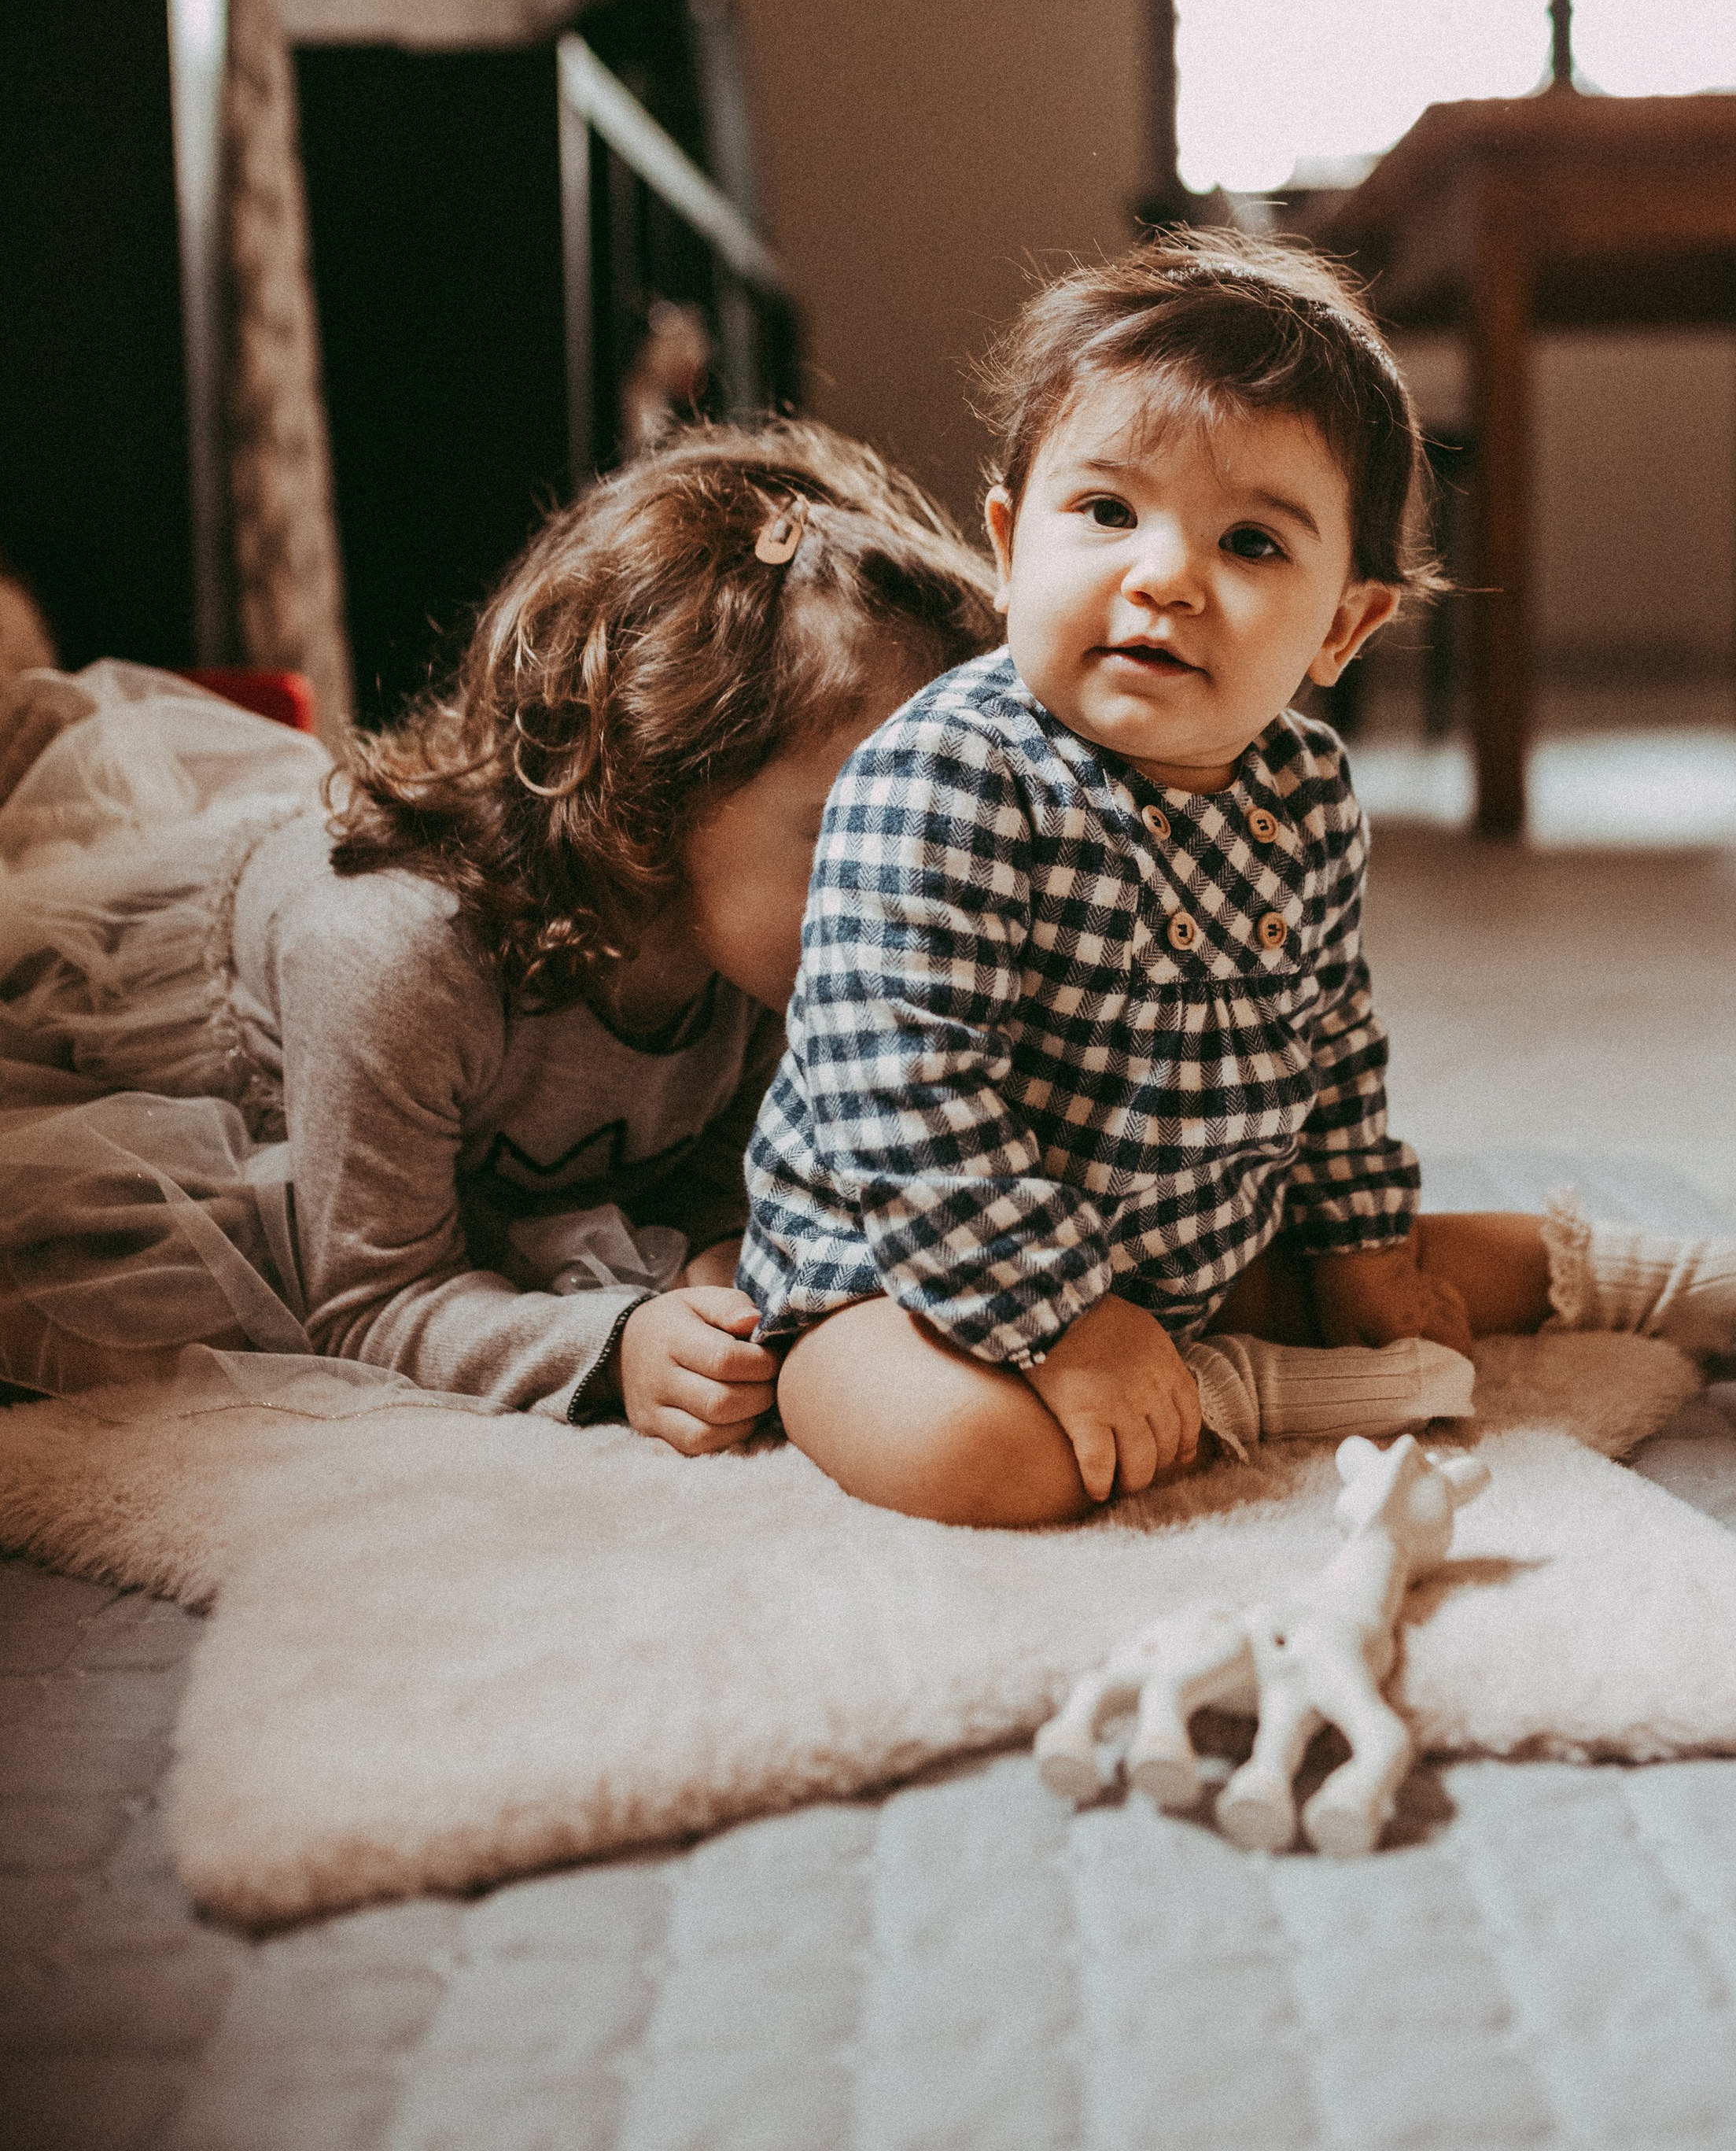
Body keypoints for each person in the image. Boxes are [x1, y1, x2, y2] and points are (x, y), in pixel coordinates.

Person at [743, 235, 1736, 1527]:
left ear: (1344, 625)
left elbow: (1331, 1038)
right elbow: (905, 1096)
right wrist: (1065, 1323)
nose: (1164, 577)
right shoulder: (944, 775)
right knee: (979, 1455)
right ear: (1009, 547)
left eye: (1249, 542)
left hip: (1187, 1239)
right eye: (1108, 513)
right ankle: (1241, 1392)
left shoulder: (1304, 787)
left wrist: (1357, 1246)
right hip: (901, 1272)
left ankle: (1658, 1279)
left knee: (1423, 1257)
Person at [0, 423, 997, 1435]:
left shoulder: (765, 965)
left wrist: (719, 1261)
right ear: (660, 780)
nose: (910, 892)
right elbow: (368, 1300)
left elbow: (709, 1182)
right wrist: (614, 1343)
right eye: (849, 827)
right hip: (181, 1055)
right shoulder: (392, 959)